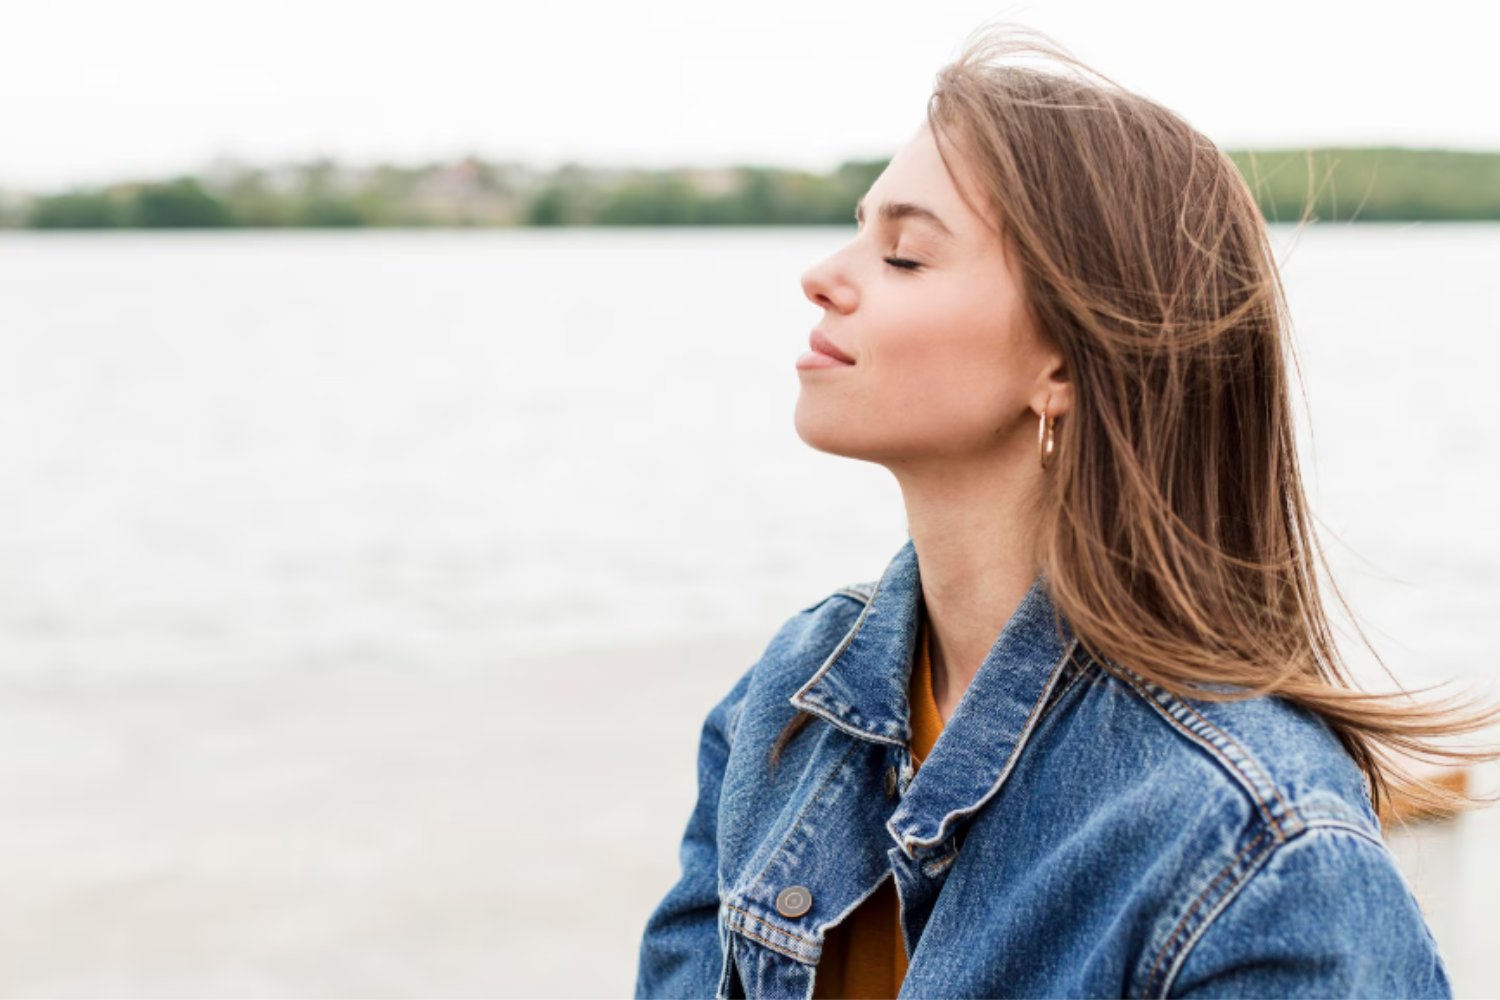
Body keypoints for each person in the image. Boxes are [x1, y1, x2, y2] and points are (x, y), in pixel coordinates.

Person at [634, 22, 1500, 1000]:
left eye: (905, 255)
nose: (825, 275)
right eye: (859, 229)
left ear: (1064, 362)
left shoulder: (1259, 843)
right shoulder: (785, 701)